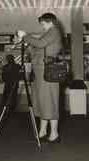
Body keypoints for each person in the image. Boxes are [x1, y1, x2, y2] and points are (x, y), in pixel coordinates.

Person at [16, 13, 64, 143]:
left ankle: (54, 133)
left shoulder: (53, 31)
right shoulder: (48, 33)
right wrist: (27, 45)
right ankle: (42, 132)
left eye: (43, 23)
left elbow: (41, 43)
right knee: (42, 102)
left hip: (47, 72)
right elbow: (37, 48)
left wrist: (25, 36)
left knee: (50, 102)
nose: (42, 26)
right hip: (40, 72)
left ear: (49, 22)